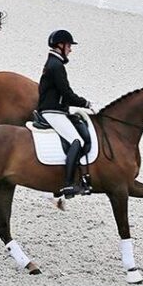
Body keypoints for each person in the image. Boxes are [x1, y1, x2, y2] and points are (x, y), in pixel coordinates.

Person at [37, 30, 96, 199]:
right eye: (69, 46)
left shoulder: (54, 63)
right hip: (51, 111)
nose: (71, 49)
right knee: (76, 141)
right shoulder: (56, 66)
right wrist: (87, 104)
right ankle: (68, 184)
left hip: (57, 109)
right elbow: (67, 93)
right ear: (60, 46)